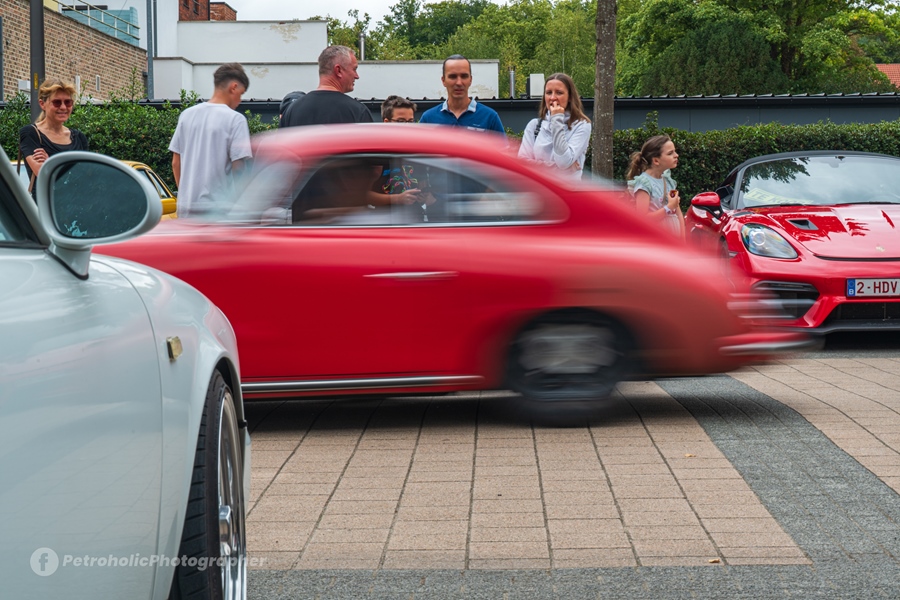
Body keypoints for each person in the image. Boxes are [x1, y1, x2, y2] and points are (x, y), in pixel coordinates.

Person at [169, 62, 252, 217]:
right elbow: (239, 169)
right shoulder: (235, 119)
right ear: (233, 87)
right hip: (218, 212)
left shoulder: (186, 115)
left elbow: (176, 162)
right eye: (241, 94)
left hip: (186, 210)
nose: (240, 101)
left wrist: (186, 196)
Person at [19, 78, 89, 197]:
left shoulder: (79, 137)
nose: (63, 107)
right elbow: (43, 174)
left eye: (68, 102)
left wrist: (50, 162)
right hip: (45, 205)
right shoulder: (31, 133)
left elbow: (86, 178)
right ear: (42, 104)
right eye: (57, 102)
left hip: (77, 205)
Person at [517, 73, 591, 180]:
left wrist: (556, 119)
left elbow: (563, 162)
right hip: (538, 188)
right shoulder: (534, 126)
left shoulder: (582, 125)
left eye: (559, 93)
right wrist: (557, 169)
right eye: (548, 93)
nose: (552, 98)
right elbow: (523, 164)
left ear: (570, 97)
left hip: (567, 190)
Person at [280, 46, 374, 127]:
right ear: (338, 70)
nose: (357, 76)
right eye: (354, 69)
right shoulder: (357, 111)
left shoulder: (291, 111)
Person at [418, 55, 505, 135]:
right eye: (453, 76)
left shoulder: (489, 118)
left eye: (464, 76)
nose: (459, 83)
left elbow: (503, 147)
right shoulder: (428, 119)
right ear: (443, 80)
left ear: (470, 80)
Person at [626, 134, 684, 238]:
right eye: (670, 153)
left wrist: (683, 241)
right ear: (656, 161)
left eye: (675, 151)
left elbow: (678, 213)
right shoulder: (644, 183)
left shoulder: (668, 181)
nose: (676, 155)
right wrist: (668, 208)